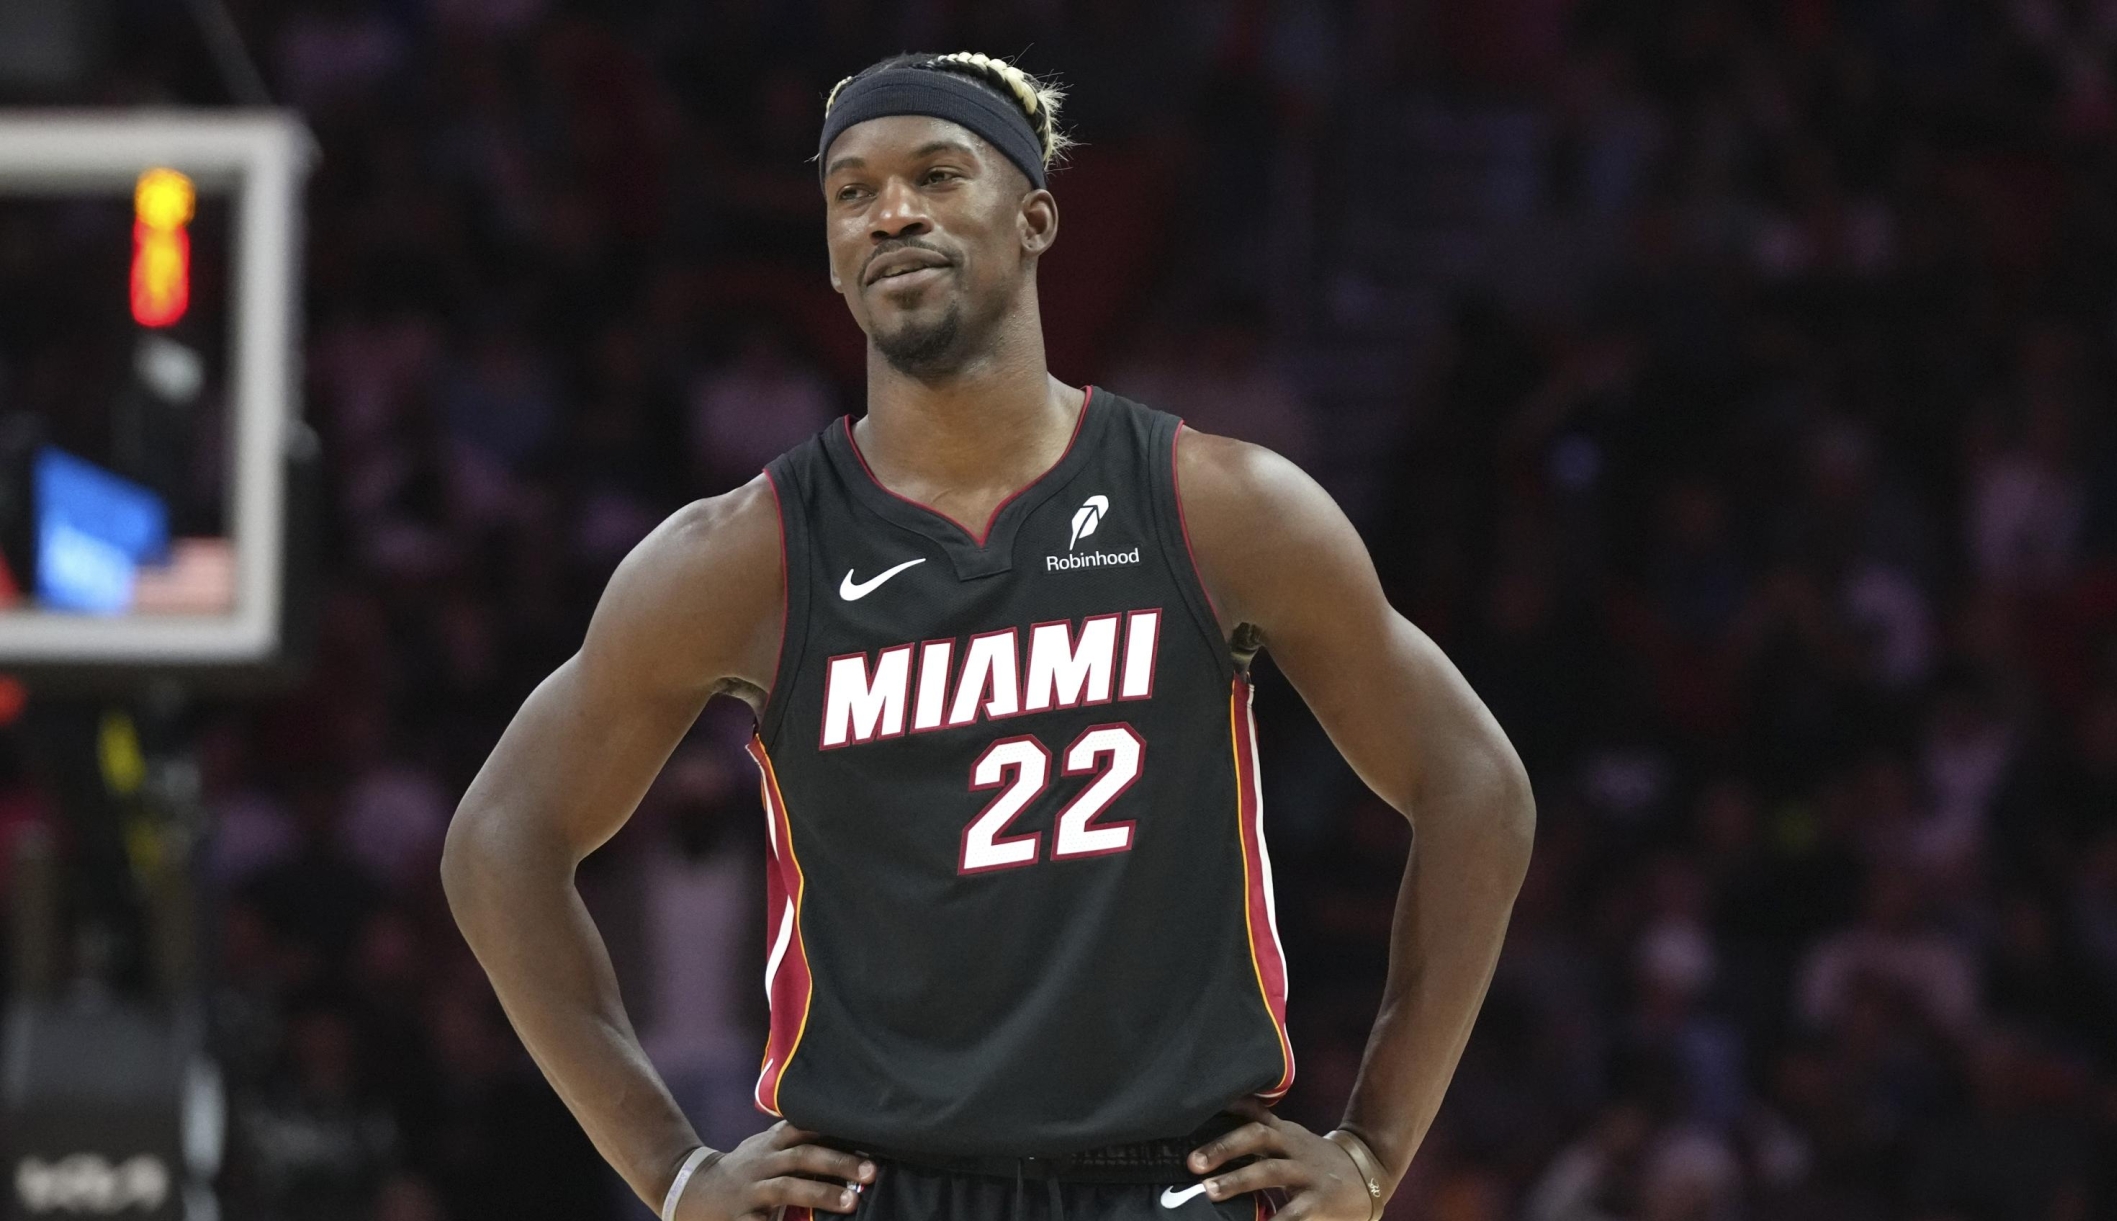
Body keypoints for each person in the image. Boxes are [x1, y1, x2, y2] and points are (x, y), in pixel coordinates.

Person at [442, 50, 1535, 1221]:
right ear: (829, 252)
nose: (891, 210)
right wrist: (673, 1170)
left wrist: (1373, 1147)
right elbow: (500, 841)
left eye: (937, 174)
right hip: (879, 1185)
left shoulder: (1221, 507)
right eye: (852, 192)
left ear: (1036, 218)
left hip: (1171, 1179)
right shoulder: (741, 555)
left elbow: (1476, 785)